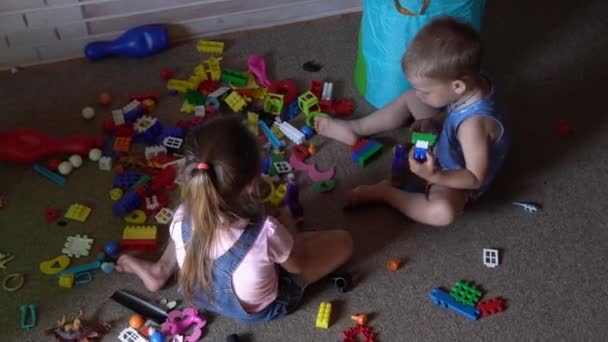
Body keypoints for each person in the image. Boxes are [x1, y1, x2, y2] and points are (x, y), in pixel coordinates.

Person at [116, 116, 352, 322]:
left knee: (191, 218)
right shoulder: (267, 231)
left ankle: (161, 269)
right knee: (343, 242)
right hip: (259, 310)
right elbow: (298, 265)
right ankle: (282, 248)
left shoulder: (182, 214)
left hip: (200, 294)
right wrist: (288, 225)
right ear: (251, 184)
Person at [315, 16, 510, 226]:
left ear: (457, 87)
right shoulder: (472, 80)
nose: (419, 95)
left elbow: (474, 178)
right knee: (410, 100)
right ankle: (357, 127)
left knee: (441, 213)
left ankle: (386, 193)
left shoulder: (473, 127)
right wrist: (435, 120)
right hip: (453, 137)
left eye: (424, 90)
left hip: (456, 173)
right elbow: (457, 111)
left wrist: (435, 175)